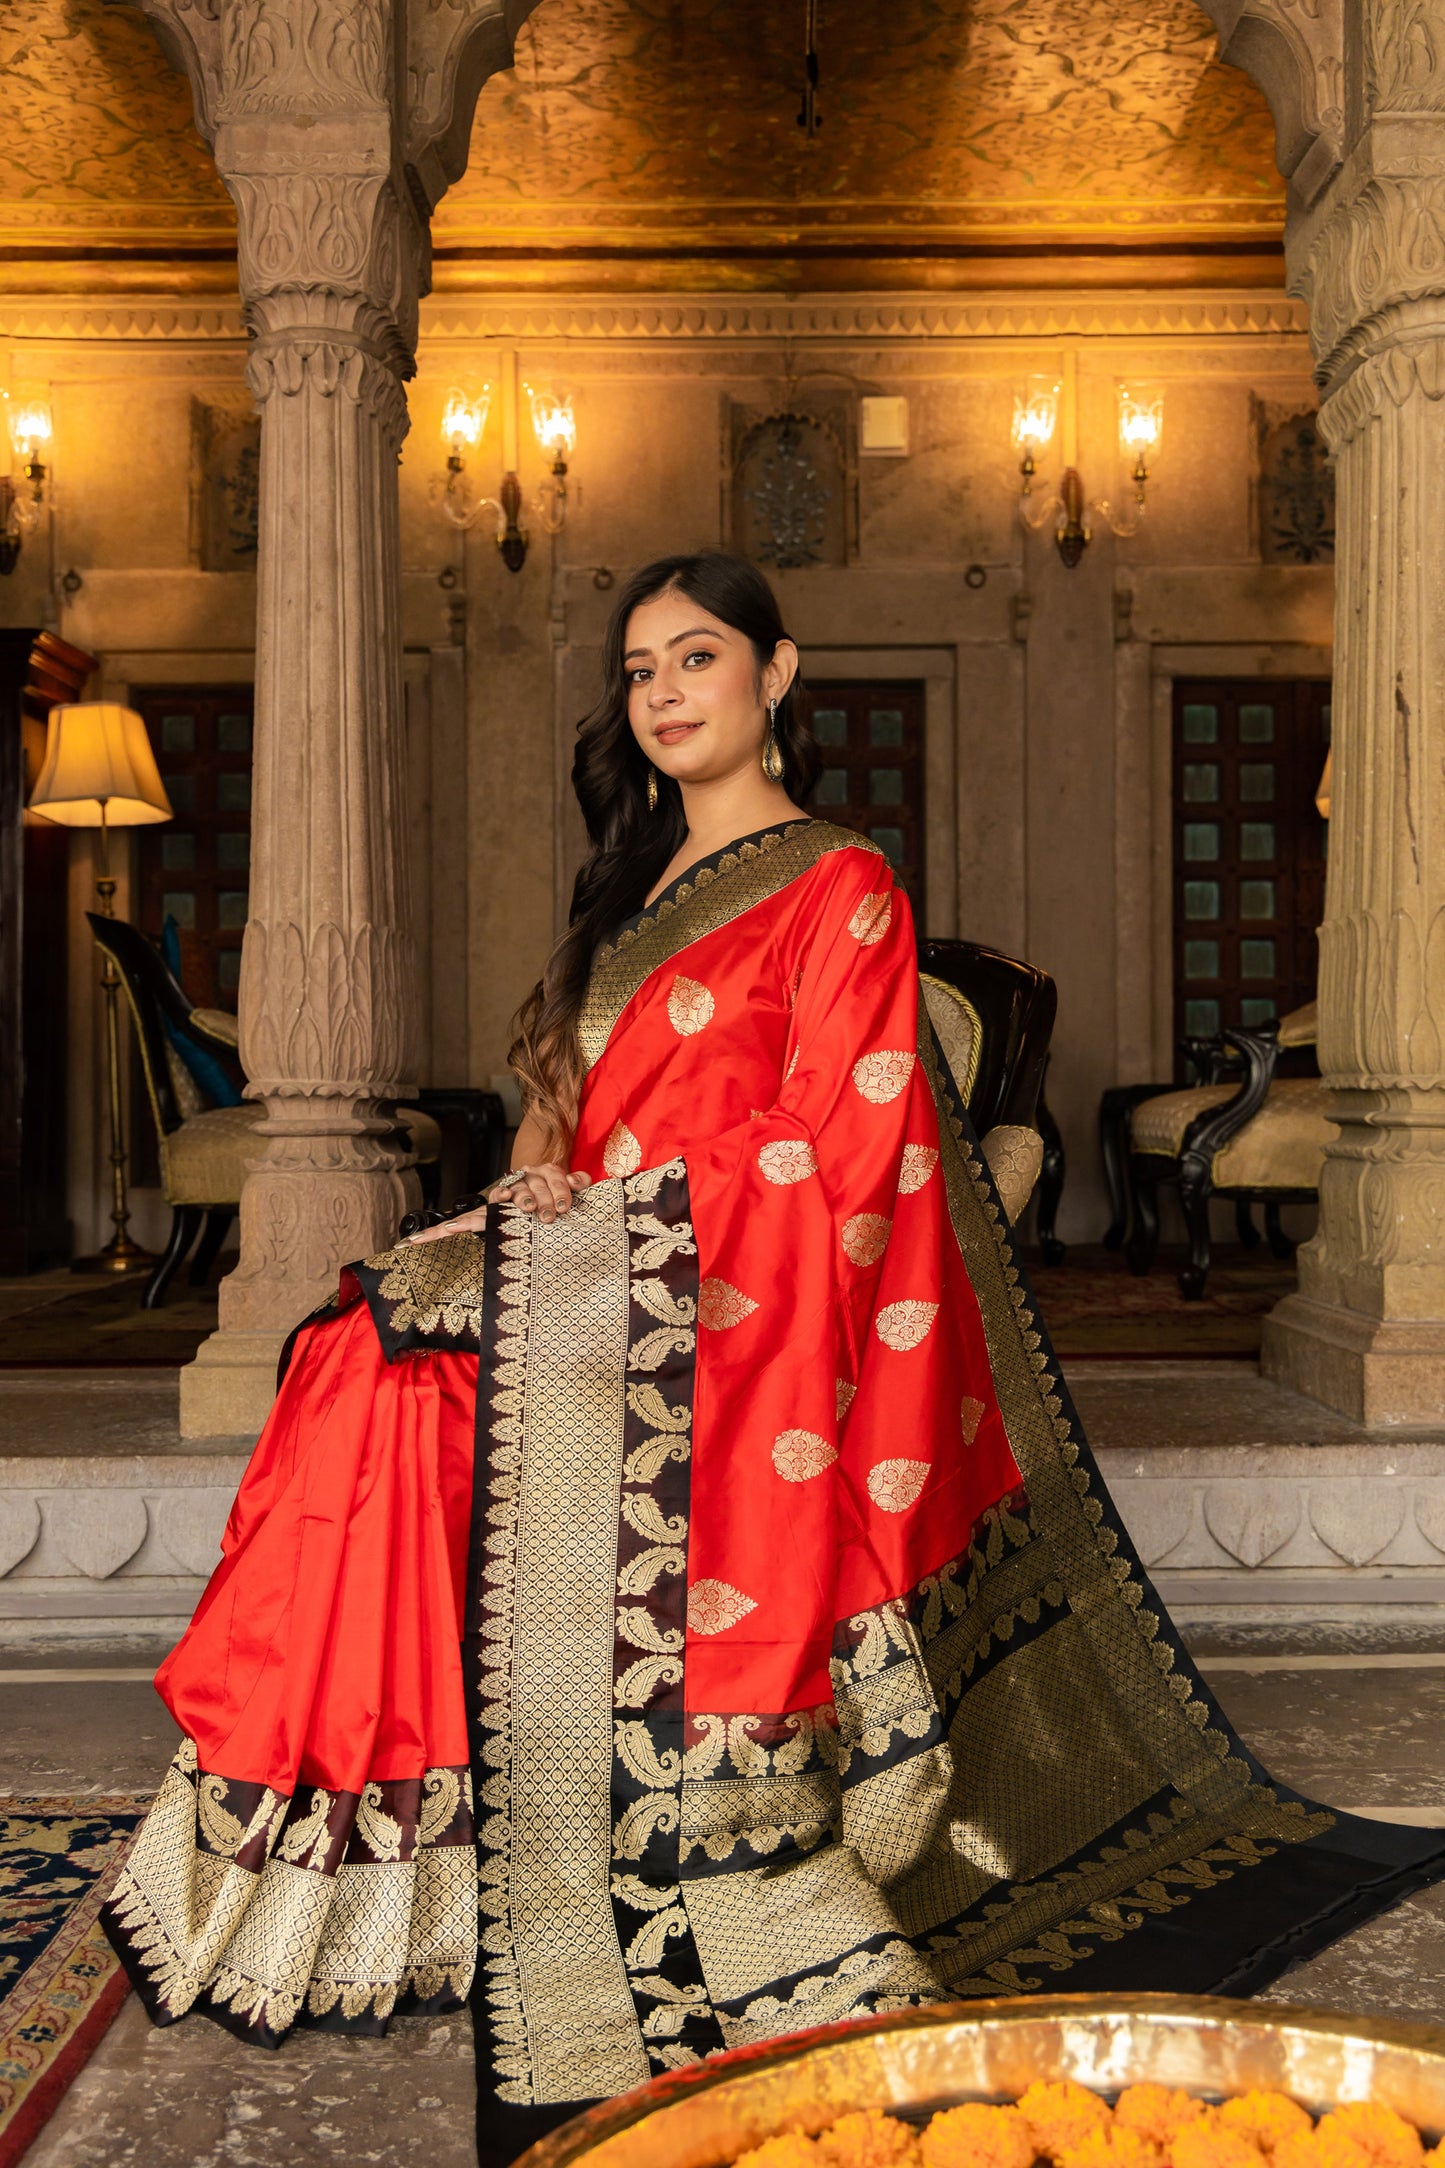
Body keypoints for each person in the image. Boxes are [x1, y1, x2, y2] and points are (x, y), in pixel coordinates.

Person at [103, 553, 1445, 2165]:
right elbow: (565, 1110)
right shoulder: (630, 903)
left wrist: (616, 1230)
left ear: (775, 675)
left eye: (697, 658)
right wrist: (539, 1186)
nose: (665, 691)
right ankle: (378, 1863)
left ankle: (459, 1846)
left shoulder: (839, 883)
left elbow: (838, 1148)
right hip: (606, 1280)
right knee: (355, 1346)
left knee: (394, 1372)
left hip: (734, 1318)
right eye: (641, 669)